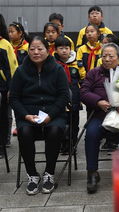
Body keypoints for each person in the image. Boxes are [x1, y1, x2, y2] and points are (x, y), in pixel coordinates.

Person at [9, 36, 70, 195]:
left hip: (53, 112)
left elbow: (64, 96)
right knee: (25, 132)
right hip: (28, 114)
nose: (36, 52)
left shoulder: (57, 69)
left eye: (40, 49)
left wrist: (50, 115)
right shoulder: (21, 70)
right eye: (32, 49)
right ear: (28, 51)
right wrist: (25, 115)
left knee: (55, 130)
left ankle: (49, 173)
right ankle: (32, 174)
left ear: (48, 50)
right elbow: (14, 98)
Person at [80, 43, 119, 194]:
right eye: (104, 56)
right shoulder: (94, 73)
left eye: (111, 56)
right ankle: (92, 172)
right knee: (92, 134)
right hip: (100, 115)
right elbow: (84, 92)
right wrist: (98, 101)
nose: (107, 59)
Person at [54, 36, 84, 154]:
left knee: (74, 122)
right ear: (56, 50)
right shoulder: (53, 63)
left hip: (75, 98)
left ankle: (72, 144)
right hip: (59, 99)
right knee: (61, 122)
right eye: (61, 48)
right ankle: (62, 144)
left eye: (67, 48)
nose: (64, 51)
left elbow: (83, 78)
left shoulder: (77, 63)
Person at [0, 14, 18, 158]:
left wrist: (11, 88)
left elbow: (13, 68)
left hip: (2, 88)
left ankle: (2, 145)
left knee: (3, 117)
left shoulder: (5, 44)